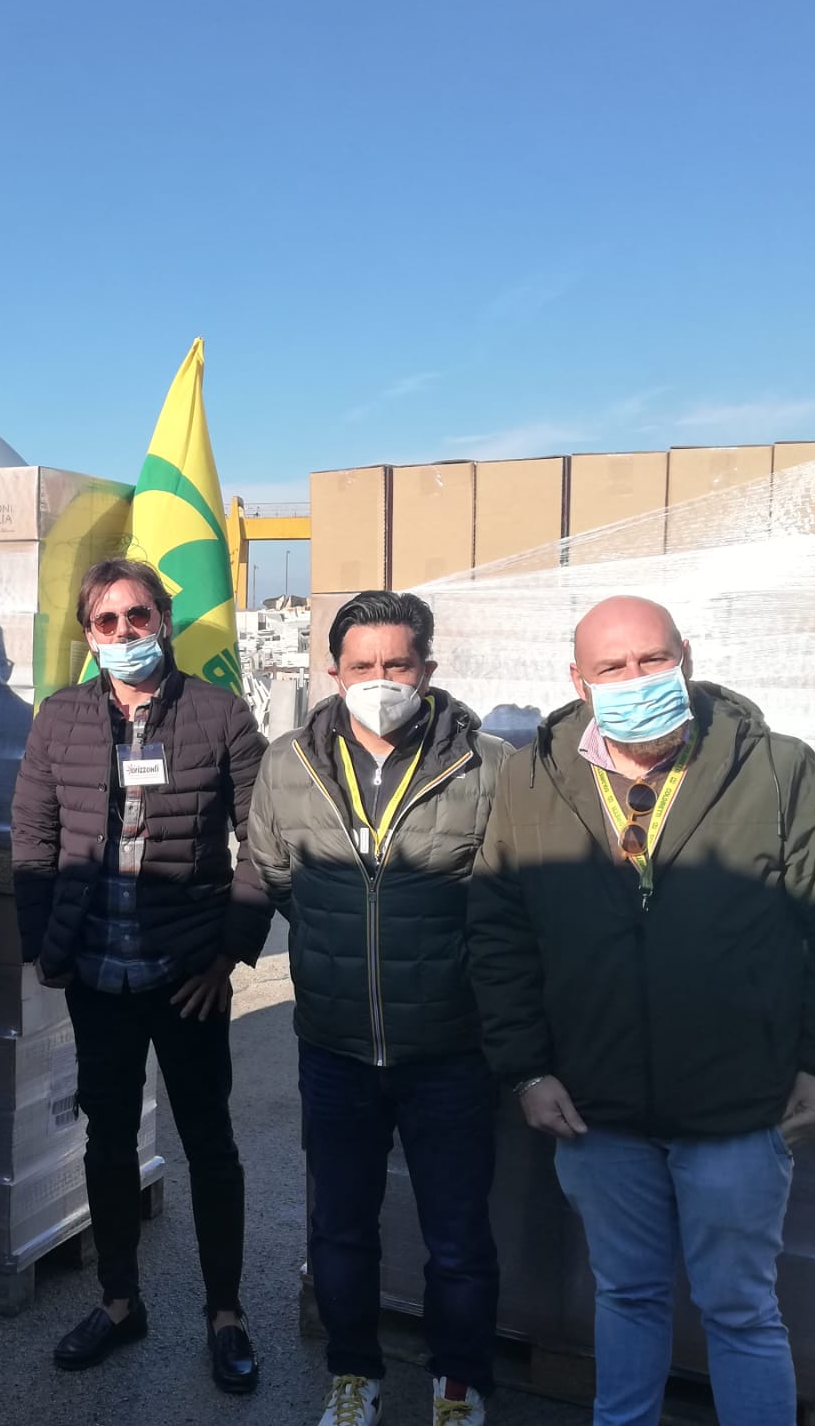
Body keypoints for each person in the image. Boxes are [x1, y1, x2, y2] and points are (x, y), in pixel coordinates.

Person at [465, 595, 815, 1426]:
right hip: (596, 1112)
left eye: (652, 659)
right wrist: (526, 1069)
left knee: (741, 1309)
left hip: (738, 1113)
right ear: (579, 682)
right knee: (625, 1296)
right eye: (612, 667)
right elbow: (499, 934)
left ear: (686, 656)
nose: (636, 679)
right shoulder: (532, 779)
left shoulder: (776, 770)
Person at [10, 558, 270, 1395]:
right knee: (108, 1140)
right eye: (106, 621)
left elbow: (265, 842)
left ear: (164, 618)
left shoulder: (220, 715)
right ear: (89, 636)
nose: (124, 633)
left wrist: (227, 955)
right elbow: (33, 836)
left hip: (186, 974)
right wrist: (45, 947)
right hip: (99, 975)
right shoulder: (60, 719)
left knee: (209, 1143)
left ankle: (225, 1314)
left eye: (138, 616)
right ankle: (120, 1303)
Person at [250, 591, 506, 1426]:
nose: (380, 680)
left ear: (427, 670)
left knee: (457, 1238)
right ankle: (352, 1374)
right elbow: (277, 874)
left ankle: (457, 1387)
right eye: (362, 665)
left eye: (398, 664)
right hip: (334, 1047)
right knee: (338, 1229)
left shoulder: (488, 767)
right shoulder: (289, 764)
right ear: (335, 672)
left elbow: (508, 901)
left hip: (450, 1050)